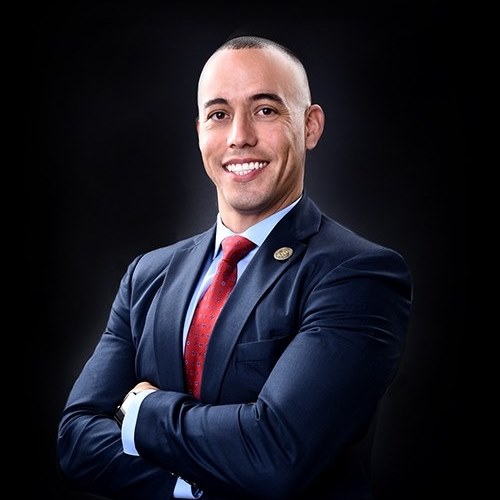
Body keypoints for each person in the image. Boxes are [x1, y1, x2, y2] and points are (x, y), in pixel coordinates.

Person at [57, 35, 412, 500]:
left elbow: (275, 454)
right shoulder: (147, 276)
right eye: (219, 114)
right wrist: (190, 486)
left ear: (310, 126)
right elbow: (77, 439)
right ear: (199, 131)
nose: (239, 136)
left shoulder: (359, 275)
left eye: (265, 110)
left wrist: (142, 409)